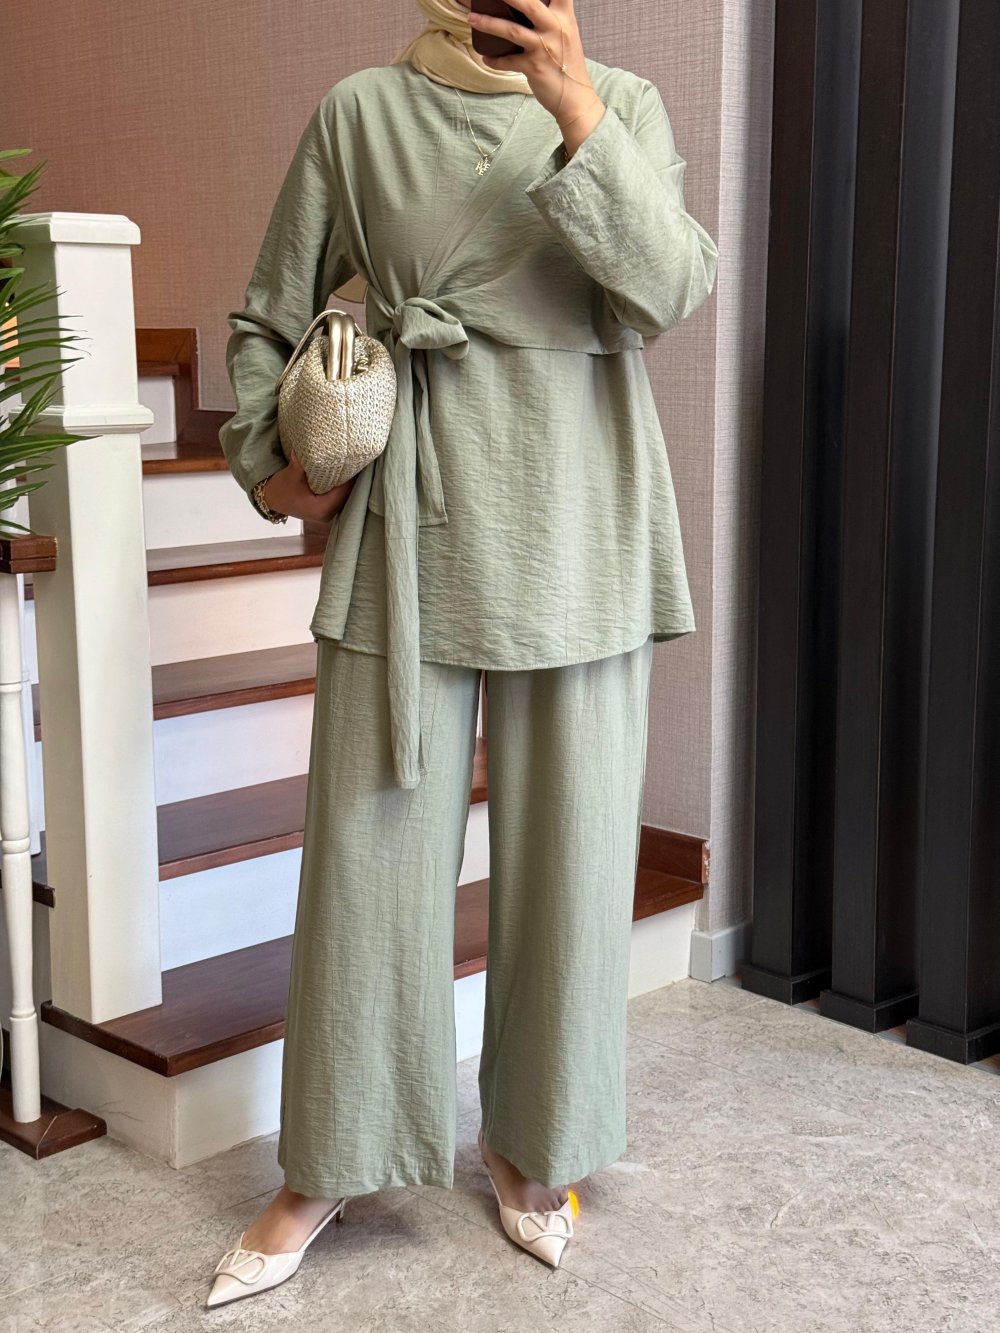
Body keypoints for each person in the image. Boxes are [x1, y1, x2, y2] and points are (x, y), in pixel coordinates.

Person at [206, 0, 718, 1308]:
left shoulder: (624, 104)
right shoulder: (359, 114)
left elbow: (669, 289)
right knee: (365, 862)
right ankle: (329, 1162)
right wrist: (279, 469)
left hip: (582, 522)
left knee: (575, 861)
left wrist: (574, 105)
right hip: (409, 526)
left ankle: (534, 1146)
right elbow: (267, 314)